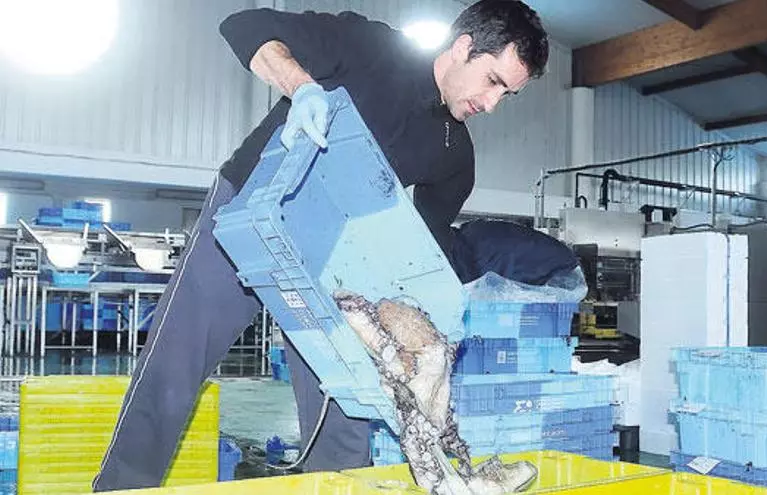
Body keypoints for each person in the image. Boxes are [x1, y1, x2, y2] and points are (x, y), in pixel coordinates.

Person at [92, 0, 549, 490]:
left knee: (344, 413)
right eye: (493, 81)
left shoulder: (454, 156)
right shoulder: (372, 48)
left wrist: (422, 319)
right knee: (174, 366)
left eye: (507, 94)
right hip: (251, 215)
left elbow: (421, 247)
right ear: (463, 47)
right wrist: (303, 87)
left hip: (332, 263)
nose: (493, 103)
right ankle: (121, 486)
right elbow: (246, 25)